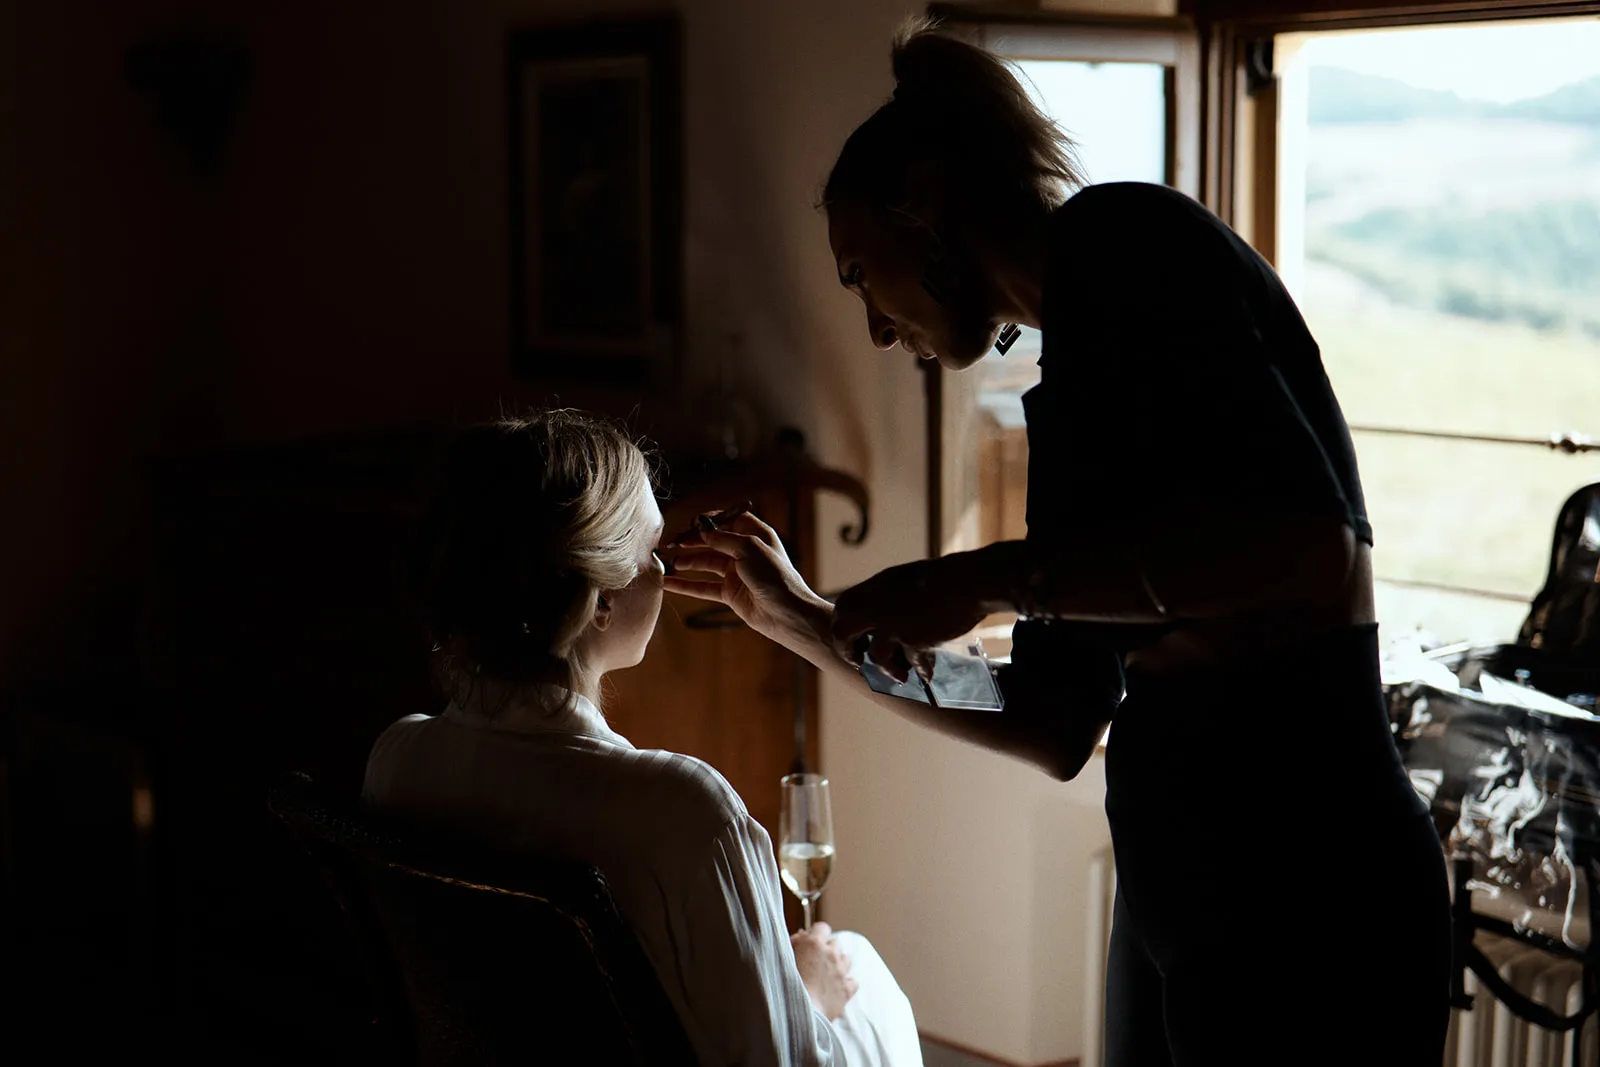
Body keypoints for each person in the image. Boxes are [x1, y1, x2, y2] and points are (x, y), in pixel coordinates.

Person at [665, 18, 1450, 1067]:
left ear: (927, 208)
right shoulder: (1067, 386)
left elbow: (1307, 547)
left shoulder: (1129, 241)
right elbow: (1047, 719)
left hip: (1307, 900)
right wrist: (810, 626)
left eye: (859, 274)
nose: (872, 326)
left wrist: (987, 578)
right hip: (1183, 903)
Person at [362, 410, 922, 1067]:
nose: (664, 570)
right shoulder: (686, 811)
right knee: (858, 965)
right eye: (652, 549)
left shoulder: (398, 760)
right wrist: (809, 993)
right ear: (599, 598)